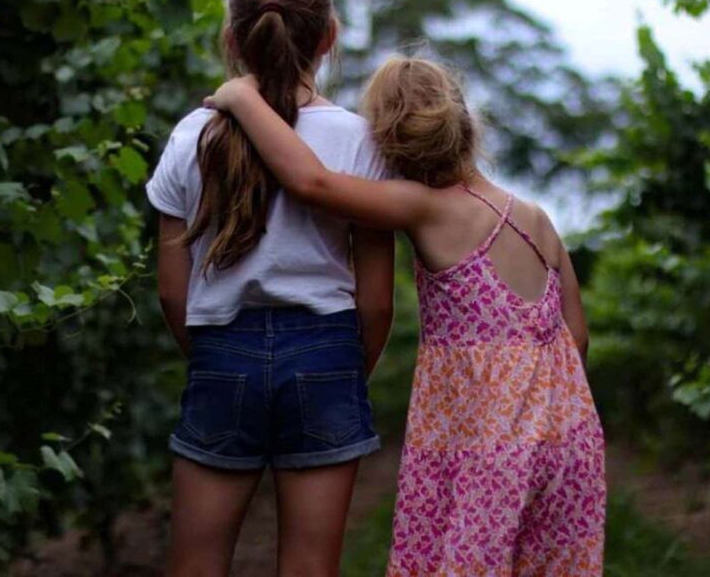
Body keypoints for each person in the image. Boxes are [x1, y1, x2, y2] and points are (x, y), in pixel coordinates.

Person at [203, 57, 607, 575]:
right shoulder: (535, 218)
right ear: (464, 122)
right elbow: (577, 337)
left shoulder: (427, 209)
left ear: (388, 143)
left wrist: (242, 99)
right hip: (569, 442)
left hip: (486, 447)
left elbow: (314, 184)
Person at [146, 0, 395, 576]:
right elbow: (378, 299)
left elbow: (172, 293)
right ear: (329, 38)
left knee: (195, 563)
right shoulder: (361, 142)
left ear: (233, 38)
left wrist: (212, 354)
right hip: (328, 352)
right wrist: (343, 365)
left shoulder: (191, 136)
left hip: (220, 350)